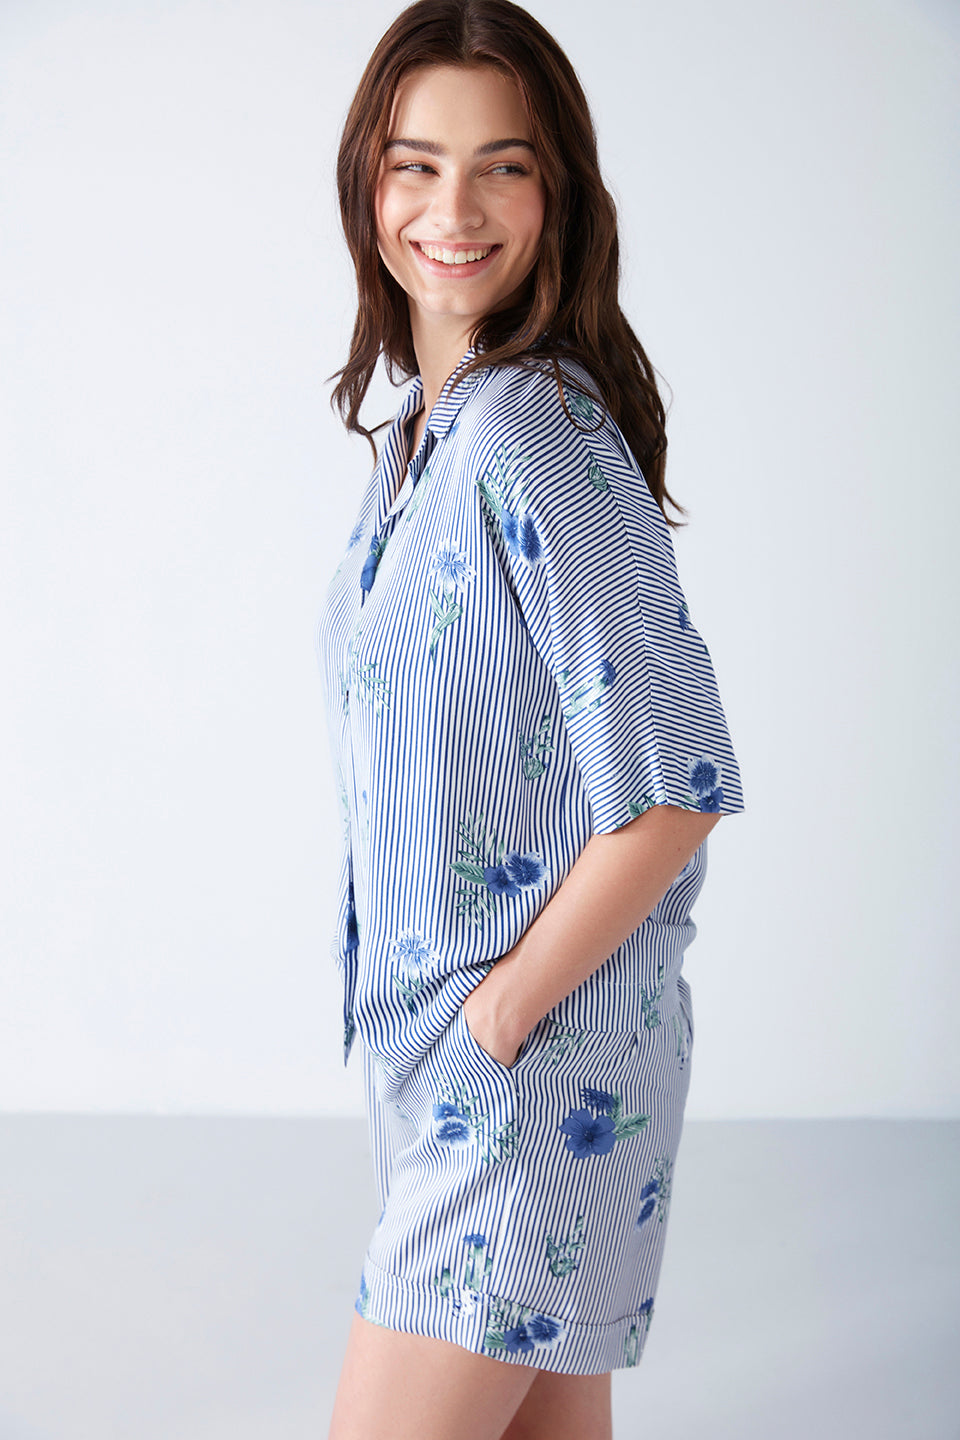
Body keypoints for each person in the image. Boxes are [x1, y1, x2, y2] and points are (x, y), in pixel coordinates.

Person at [317, 3, 744, 1436]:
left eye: (502, 165)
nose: (452, 208)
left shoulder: (530, 431)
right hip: (466, 1075)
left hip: (527, 1080)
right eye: (413, 164)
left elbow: (676, 783)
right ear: (366, 184)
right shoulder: (423, 440)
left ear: (556, 189)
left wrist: (496, 1021)